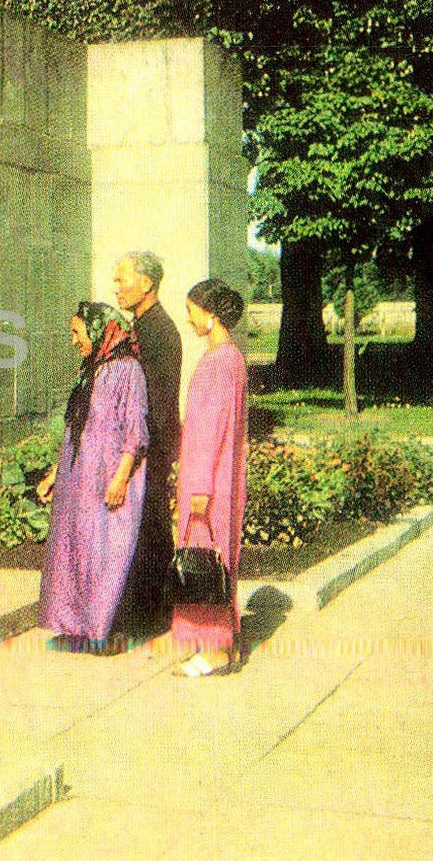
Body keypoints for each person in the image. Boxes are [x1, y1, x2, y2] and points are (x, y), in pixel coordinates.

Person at [37, 302, 149, 653]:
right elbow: (75, 428)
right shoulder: (91, 369)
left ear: (100, 329)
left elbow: (136, 431)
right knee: (74, 548)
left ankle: (102, 631)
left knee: (106, 551)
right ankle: (75, 628)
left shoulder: (128, 371)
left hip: (107, 474)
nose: (74, 341)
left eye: (77, 333)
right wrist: (56, 473)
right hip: (77, 477)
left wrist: (120, 479)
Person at [171, 279, 249, 677]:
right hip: (222, 477)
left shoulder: (219, 361)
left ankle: (216, 651)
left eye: (192, 310)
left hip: (208, 481)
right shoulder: (231, 357)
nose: (189, 318)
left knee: (204, 561)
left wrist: (199, 486)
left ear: (210, 313)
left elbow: (208, 429)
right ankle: (224, 645)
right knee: (217, 563)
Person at [110, 252, 182, 640]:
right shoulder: (142, 326)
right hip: (143, 447)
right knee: (147, 529)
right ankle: (152, 613)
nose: (116, 287)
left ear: (146, 284)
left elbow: (154, 402)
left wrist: (135, 452)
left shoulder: (159, 331)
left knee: (146, 530)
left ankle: (147, 618)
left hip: (148, 448)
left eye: (122, 279)